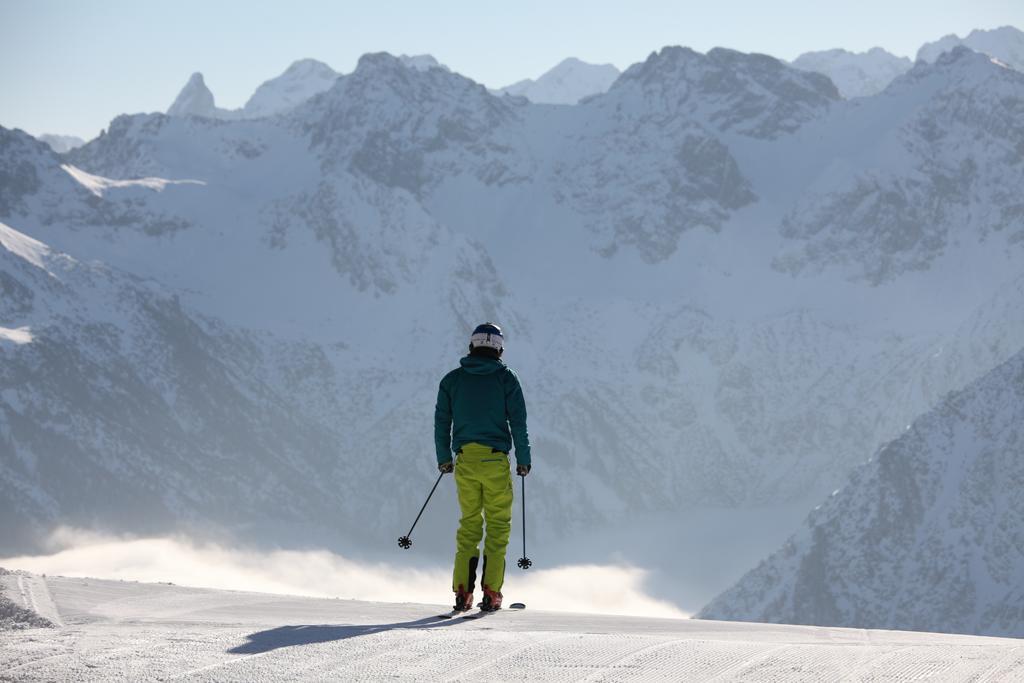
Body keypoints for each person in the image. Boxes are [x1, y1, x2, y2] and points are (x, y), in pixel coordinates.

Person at [434, 322, 531, 612]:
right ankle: (491, 593)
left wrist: (444, 457)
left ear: (472, 347)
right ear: (499, 349)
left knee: (469, 525)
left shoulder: (452, 381)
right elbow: (519, 423)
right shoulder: (506, 379)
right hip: (495, 460)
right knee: (498, 526)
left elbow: (442, 423)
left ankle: (462, 593)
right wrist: (524, 459)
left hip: (464, 460)